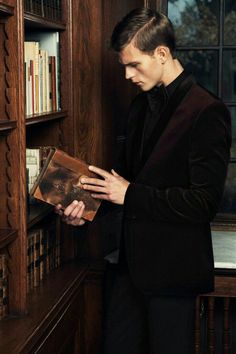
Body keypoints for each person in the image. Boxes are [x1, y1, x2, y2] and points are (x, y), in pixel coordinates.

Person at [55, 7, 231, 354]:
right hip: (128, 270)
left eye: (134, 64)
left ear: (162, 53)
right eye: (123, 66)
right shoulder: (138, 108)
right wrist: (84, 210)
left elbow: (203, 204)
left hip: (174, 275)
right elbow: (119, 183)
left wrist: (130, 194)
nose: (126, 75)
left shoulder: (207, 111)